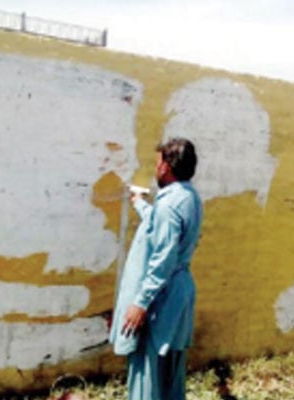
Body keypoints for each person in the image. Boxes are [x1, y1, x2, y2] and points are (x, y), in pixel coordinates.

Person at [109, 138, 203, 400]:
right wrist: (140, 203)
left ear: (166, 167)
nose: (155, 168)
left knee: (147, 372)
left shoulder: (170, 204)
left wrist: (140, 303)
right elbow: (161, 228)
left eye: (158, 162)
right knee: (169, 373)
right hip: (178, 292)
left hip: (162, 296)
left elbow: (163, 257)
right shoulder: (188, 197)